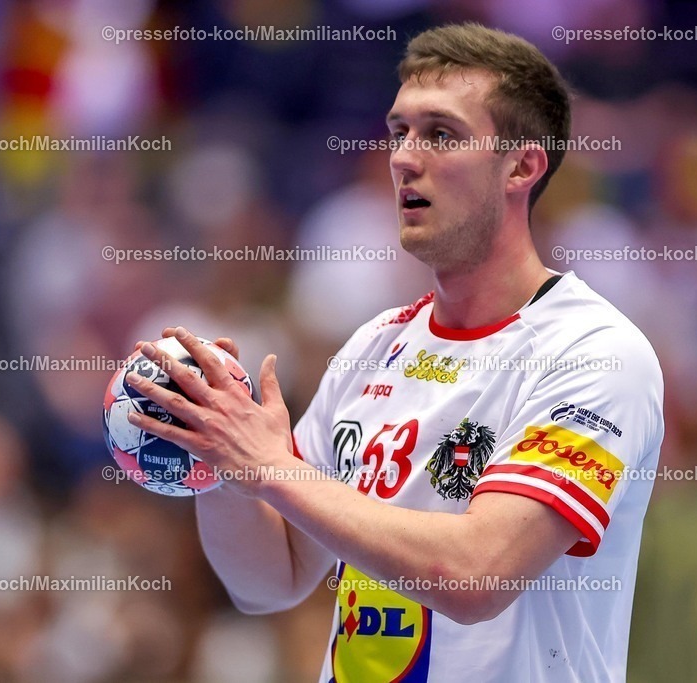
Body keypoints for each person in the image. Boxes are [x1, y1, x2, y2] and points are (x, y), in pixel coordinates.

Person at [126, 22, 664, 683]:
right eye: (399, 132)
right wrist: (220, 460)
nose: (404, 158)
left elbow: (477, 574)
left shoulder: (594, 352)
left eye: (440, 134)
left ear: (522, 166)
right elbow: (273, 578)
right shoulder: (374, 345)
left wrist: (270, 468)